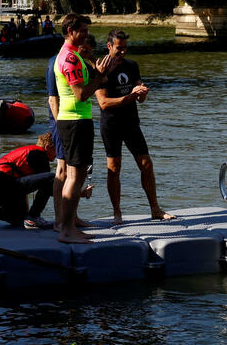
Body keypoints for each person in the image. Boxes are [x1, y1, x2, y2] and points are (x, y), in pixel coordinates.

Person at [96, 29, 174, 225]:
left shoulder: (131, 65)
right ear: (109, 46)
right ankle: (117, 213)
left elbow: (140, 99)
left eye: (125, 48)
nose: (122, 52)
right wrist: (130, 96)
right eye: (119, 48)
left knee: (146, 164)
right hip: (111, 125)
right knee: (114, 168)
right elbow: (103, 103)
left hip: (131, 122)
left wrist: (142, 92)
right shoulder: (101, 69)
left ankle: (155, 209)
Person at [54, 13, 119, 244]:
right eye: (83, 31)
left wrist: (99, 75)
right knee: (74, 177)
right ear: (70, 31)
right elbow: (81, 94)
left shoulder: (71, 55)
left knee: (77, 176)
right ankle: (66, 230)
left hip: (75, 120)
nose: (86, 35)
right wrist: (99, 77)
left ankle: (70, 226)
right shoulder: (70, 58)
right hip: (74, 121)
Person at [0, 133, 56, 229]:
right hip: (2, 184)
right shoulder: (40, 154)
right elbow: (51, 187)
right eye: (58, 149)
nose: (59, 154)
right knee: (51, 178)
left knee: (19, 218)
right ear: (48, 147)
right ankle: (34, 217)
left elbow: (27, 185)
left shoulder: (31, 151)